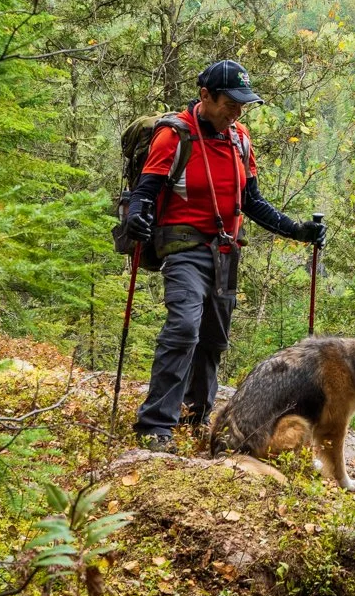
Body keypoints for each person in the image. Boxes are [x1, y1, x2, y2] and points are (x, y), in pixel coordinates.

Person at [123, 59, 325, 447]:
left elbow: (251, 201)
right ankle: (155, 426)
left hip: (226, 252)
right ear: (205, 95)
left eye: (242, 105)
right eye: (230, 103)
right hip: (183, 246)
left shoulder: (239, 140)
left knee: (214, 340)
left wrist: (296, 230)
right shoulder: (174, 136)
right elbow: (145, 191)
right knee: (184, 327)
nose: (237, 112)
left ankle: (195, 416)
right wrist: (136, 216)